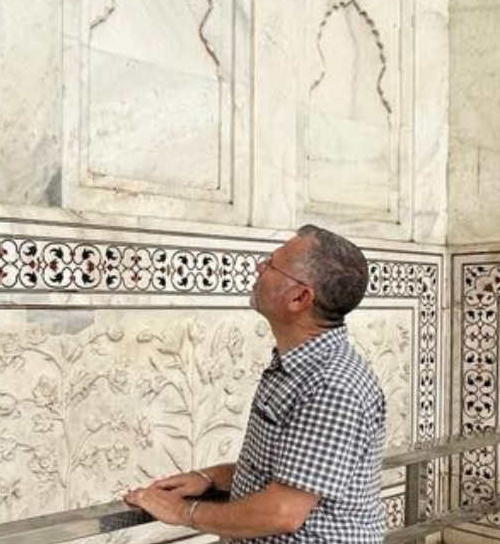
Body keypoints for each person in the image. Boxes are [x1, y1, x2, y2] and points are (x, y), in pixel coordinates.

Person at [123, 224, 386, 543]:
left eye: (272, 264)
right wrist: (208, 478)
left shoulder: (333, 386)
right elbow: (287, 468)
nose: (260, 267)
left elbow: (282, 512)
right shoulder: (299, 366)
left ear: (299, 298)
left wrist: (180, 512)